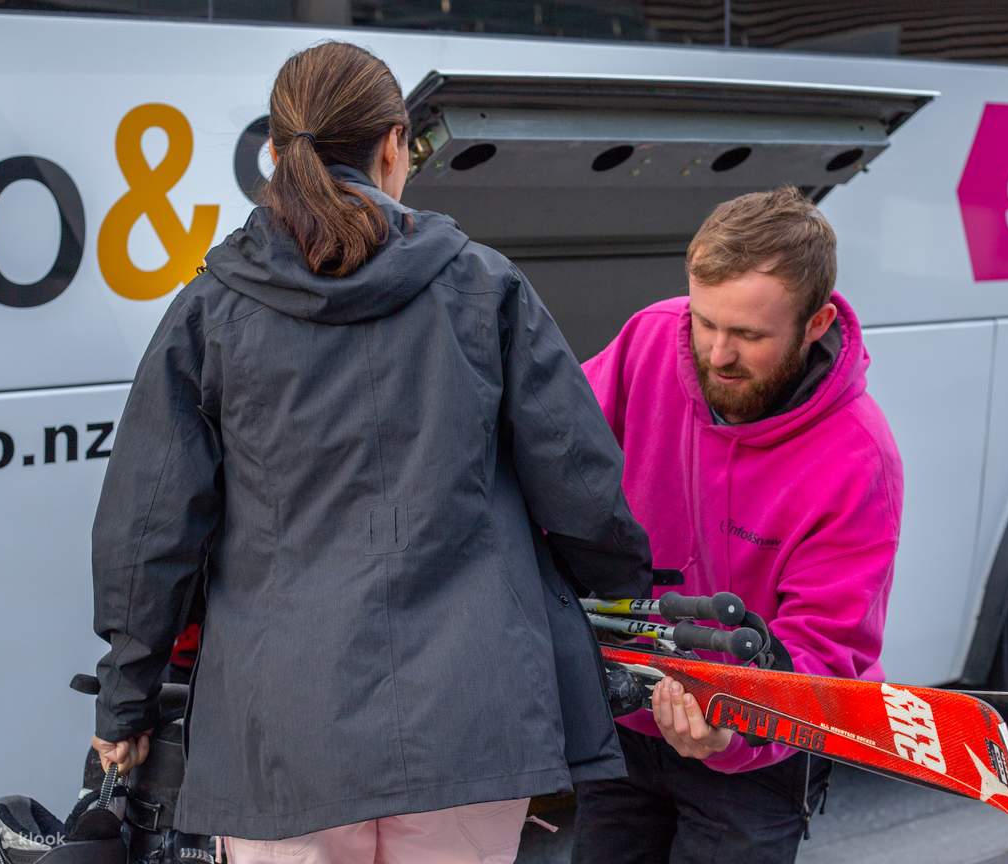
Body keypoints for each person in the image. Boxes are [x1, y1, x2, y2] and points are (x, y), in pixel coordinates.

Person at [88, 41, 652, 864]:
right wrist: (623, 589)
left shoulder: (210, 311)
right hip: (471, 723)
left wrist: (124, 702)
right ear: (395, 143)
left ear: (276, 152)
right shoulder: (485, 286)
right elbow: (578, 481)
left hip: (283, 736)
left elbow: (151, 531)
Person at [572, 187, 904, 864]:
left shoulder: (857, 459)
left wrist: (738, 733)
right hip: (629, 719)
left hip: (754, 754)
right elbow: (553, 450)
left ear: (813, 325)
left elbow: (823, 651)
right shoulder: (650, 339)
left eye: (749, 336)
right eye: (704, 321)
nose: (716, 353)